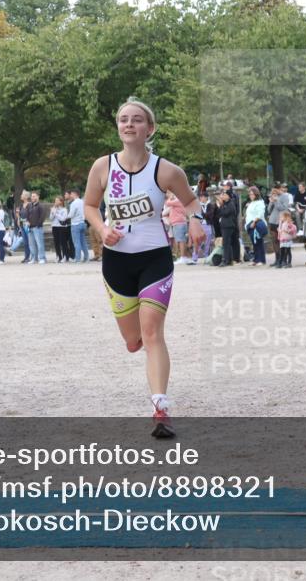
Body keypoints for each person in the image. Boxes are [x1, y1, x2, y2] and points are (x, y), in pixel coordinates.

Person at [83, 97, 206, 439]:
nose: (129, 124)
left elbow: (191, 201)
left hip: (155, 258)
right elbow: (90, 205)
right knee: (134, 338)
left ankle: (160, 408)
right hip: (117, 261)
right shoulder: (103, 167)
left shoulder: (166, 170)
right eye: (124, 119)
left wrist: (196, 220)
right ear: (118, 127)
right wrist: (102, 229)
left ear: (149, 128)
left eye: (136, 119)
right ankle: (134, 339)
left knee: (152, 333)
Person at [163, 191, 190, 264]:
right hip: (180, 222)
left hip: (178, 223)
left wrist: (170, 197)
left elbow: (167, 203)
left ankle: (183, 257)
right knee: (182, 240)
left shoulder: (178, 200)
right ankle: (184, 257)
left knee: (181, 241)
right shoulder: (179, 201)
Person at [244, 186, 268, 266]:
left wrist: (254, 222)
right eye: (250, 194)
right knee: (254, 243)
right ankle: (256, 259)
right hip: (249, 224)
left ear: (256, 194)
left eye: (252, 194)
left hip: (256, 224)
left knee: (259, 242)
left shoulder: (260, 202)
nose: (251, 196)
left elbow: (260, 214)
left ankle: (261, 260)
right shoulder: (251, 203)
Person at [216, 189, 238, 267]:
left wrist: (220, 206)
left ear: (228, 196)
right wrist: (221, 205)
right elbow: (219, 214)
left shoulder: (231, 204)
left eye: (225, 195)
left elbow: (225, 213)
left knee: (226, 243)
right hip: (225, 226)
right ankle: (229, 259)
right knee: (227, 243)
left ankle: (225, 260)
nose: (223, 196)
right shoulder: (225, 204)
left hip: (228, 226)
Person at [67, 189, 89, 262]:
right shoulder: (83, 202)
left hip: (75, 224)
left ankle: (78, 259)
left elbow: (71, 214)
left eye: (71, 194)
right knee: (83, 242)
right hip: (82, 223)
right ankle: (86, 257)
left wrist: (66, 217)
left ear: (75, 194)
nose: (70, 195)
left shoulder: (73, 203)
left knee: (76, 242)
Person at [50, 196, 73, 263]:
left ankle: (65, 256)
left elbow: (63, 219)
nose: (55, 202)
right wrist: (53, 212)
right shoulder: (54, 209)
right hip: (54, 226)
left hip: (61, 227)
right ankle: (58, 256)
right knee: (56, 243)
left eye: (57, 200)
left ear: (61, 202)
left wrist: (55, 213)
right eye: (55, 201)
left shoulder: (64, 210)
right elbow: (51, 218)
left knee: (63, 242)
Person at [27, 191, 47, 264]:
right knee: (31, 244)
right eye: (32, 196)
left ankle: (42, 258)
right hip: (30, 227)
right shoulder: (29, 205)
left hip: (37, 228)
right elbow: (27, 215)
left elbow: (42, 216)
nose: (32, 197)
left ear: (38, 197)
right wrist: (28, 221)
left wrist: (38, 224)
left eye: (34, 196)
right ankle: (34, 258)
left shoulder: (41, 206)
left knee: (39, 243)